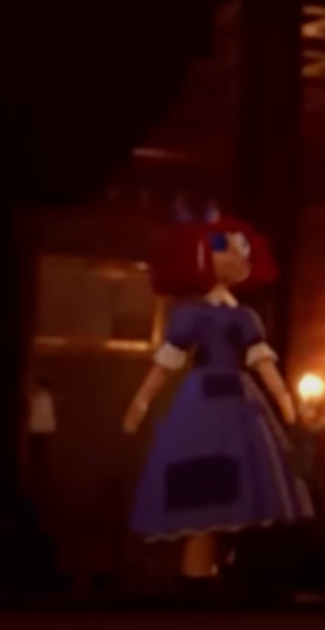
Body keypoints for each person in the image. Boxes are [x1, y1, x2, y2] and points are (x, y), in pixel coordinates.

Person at [122, 200, 313, 597]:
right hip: (203, 408)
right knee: (203, 494)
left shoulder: (244, 318)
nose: (237, 255)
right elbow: (167, 361)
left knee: (241, 493)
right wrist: (140, 401)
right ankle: (195, 586)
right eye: (225, 247)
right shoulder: (192, 316)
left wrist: (283, 396)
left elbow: (261, 361)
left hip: (241, 406)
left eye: (243, 249)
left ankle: (224, 578)